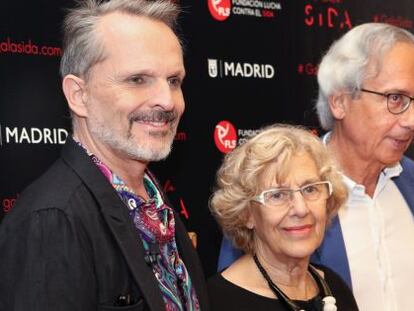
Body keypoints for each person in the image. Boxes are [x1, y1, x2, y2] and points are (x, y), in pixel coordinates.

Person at [0, 1, 208, 310]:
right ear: (78, 96)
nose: (167, 101)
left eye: (174, 81)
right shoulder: (53, 222)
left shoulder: (155, 205)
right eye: (138, 79)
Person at [218, 22, 414, 311]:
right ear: (339, 101)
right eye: (395, 99)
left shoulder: (410, 185)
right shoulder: (268, 195)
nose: (411, 120)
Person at [208, 124, 358, 311]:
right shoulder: (217, 302)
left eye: (310, 189)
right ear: (247, 213)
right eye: (278, 195)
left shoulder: (335, 288)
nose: (301, 209)